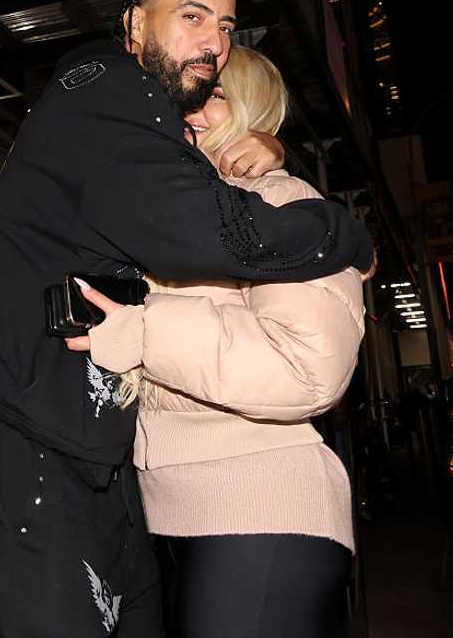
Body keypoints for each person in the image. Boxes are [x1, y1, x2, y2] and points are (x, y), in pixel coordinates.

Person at [0, 0, 374, 638]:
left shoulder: (252, 192)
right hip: (35, 451)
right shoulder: (106, 90)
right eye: (192, 16)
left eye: (225, 28)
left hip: (222, 495)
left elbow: (308, 365)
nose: (213, 42)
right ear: (135, 24)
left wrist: (280, 173)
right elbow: (207, 230)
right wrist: (346, 232)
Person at [69, 46, 370, 638]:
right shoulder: (167, 214)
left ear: (253, 111)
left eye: (216, 95)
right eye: (182, 97)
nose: (191, 110)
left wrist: (144, 329)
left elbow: (307, 369)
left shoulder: (282, 200)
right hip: (161, 510)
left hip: (263, 501)